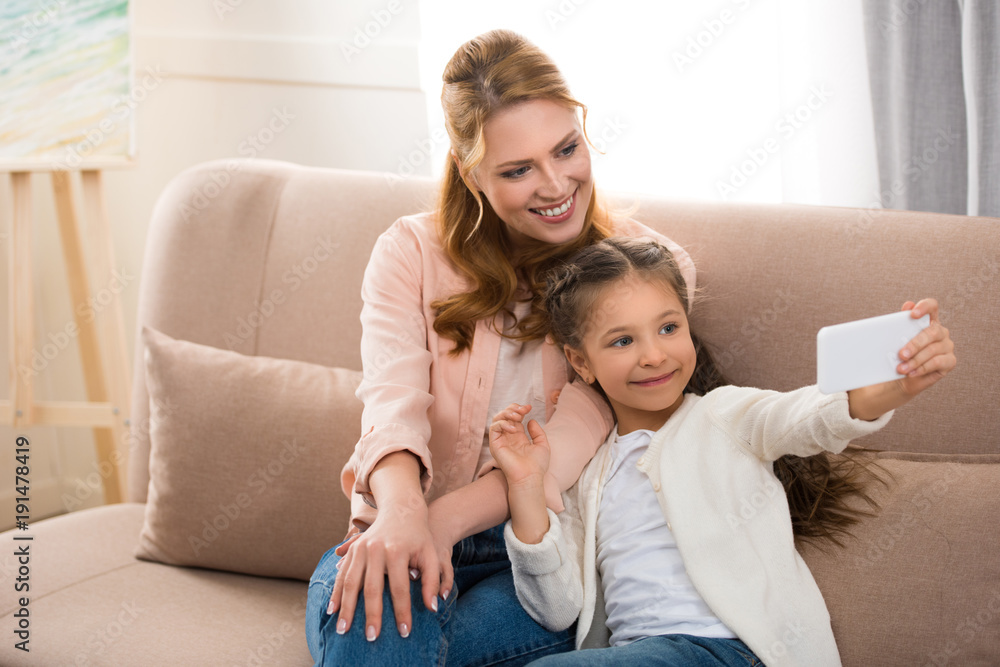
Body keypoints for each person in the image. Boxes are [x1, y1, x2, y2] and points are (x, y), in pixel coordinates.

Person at [305, 30, 697, 666]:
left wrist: (441, 523)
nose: (555, 185)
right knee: (375, 619)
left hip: (540, 556)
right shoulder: (409, 251)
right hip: (400, 519)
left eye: (567, 149)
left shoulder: (647, 271)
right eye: (518, 170)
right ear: (471, 173)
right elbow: (391, 403)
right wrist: (403, 515)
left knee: (381, 635)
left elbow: (571, 440)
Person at [488, 237, 956, 667]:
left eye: (669, 328)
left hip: (734, 651)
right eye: (623, 341)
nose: (653, 355)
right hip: (639, 654)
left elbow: (803, 416)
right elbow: (556, 609)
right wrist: (527, 487)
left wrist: (891, 389)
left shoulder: (722, 416)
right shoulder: (587, 476)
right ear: (580, 362)